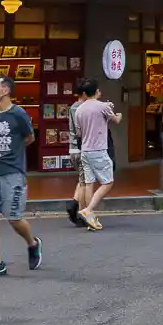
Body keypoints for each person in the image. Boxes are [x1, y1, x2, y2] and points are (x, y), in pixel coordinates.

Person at [0, 74, 40, 277]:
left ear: (6, 90)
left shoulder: (19, 114)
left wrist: (16, 152)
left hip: (13, 172)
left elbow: (30, 137)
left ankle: (32, 243)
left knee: (14, 218)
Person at [71, 78, 121, 232]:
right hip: (99, 149)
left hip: (85, 150)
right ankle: (89, 210)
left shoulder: (79, 109)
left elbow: (78, 132)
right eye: (98, 90)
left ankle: (89, 217)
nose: (100, 92)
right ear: (95, 92)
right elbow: (116, 120)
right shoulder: (102, 107)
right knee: (108, 182)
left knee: (88, 182)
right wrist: (118, 113)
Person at [65, 83, 91, 229]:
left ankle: (76, 207)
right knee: (85, 182)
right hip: (83, 148)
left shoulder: (73, 107)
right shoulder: (84, 108)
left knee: (82, 180)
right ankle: (77, 208)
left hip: (73, 148)